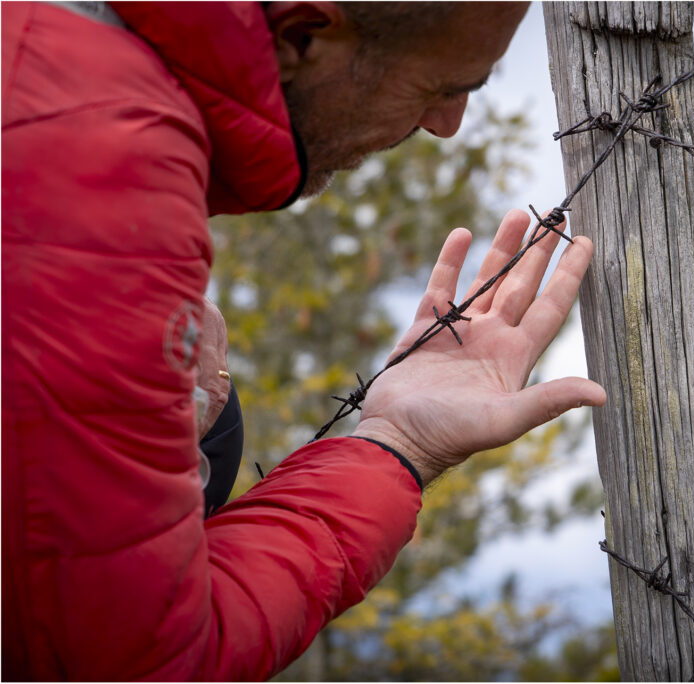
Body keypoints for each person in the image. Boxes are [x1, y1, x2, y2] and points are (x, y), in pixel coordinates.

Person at [1, 1, 607, 680]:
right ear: (301, 35)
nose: (446, 125)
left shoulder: (56, 61)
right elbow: (128, 660)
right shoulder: (99, 152)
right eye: (443, 87)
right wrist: (400, 448)